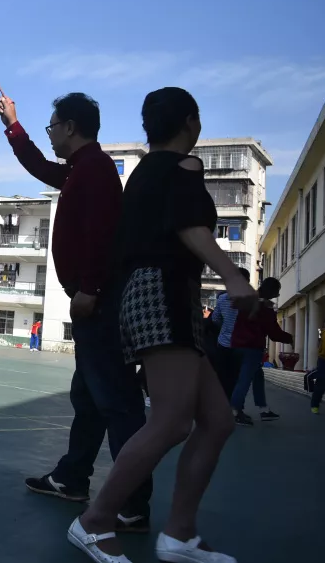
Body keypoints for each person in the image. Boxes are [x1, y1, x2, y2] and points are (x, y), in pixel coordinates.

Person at [69, 87, 257, 563]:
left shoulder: (141, 175)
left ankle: (180, 534)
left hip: (154, 293)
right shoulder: (182, 168)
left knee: (215, 421)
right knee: (172, 420)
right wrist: (234, 275)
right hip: (164, 292)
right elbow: (190, 228)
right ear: (191, 122)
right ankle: (94, 521)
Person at [0, 93, 152, 528]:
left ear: (69, 127)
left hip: (97, 303)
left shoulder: (96, 170)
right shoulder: (82, 170)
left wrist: (91, 287)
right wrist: (14, 126)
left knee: (118, 401)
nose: (50, 136)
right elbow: (42, 169)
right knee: (88, 398)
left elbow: (102, 233)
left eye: (51, 128)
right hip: (91, 302)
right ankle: (72, 478)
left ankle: (133, 500)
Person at [228, 277, 292, 426]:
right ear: (272, 291)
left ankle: (263, 409)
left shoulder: (248, 302)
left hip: (237, 346)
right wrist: (289, 338)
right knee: (244, 380)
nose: (278, 294)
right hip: (252, 348)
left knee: (257, 376)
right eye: (278, 291)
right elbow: (273, 332)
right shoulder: (265, 309)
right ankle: (234, 412)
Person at [210, 269, 251, 399]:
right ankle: (234, 408)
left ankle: (222, 405)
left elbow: (215, 318)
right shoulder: (250, 300)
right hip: (242, 345)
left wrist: (226, 328)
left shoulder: (222, 299)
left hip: (223, 343)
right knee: (237, 378)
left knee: (222, 376)